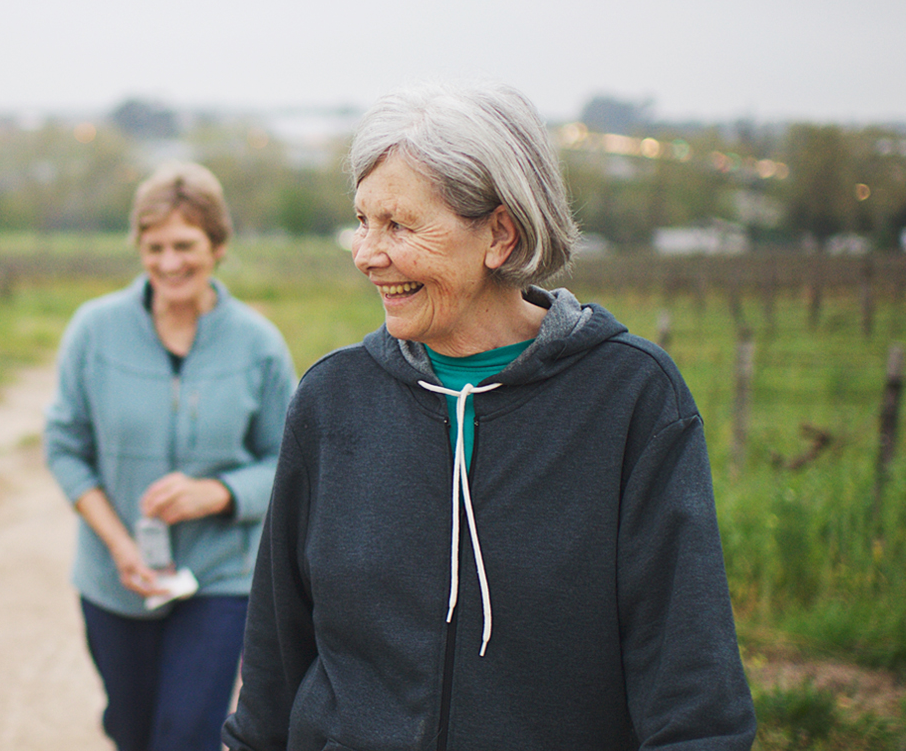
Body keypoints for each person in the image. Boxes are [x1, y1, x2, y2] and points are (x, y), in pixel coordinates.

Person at [222, 83, 757, 750]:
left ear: (500, 234)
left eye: (399, 225)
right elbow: (275, 655)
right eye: (362, 221)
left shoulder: (631, 401)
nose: (366, 254)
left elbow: (692, 691)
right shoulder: (334, 401)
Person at [45, 161, 297, 751]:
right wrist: (119, 544)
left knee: (185, 734)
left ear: (218, 245)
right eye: (153, 246)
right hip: (115, 579)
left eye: (185, 244)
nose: (169, 262)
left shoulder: (258, 344)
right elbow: (64, 447)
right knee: (131, 732)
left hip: (220, 577)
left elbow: (288, 462)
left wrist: (221, 493)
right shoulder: (94, 330)